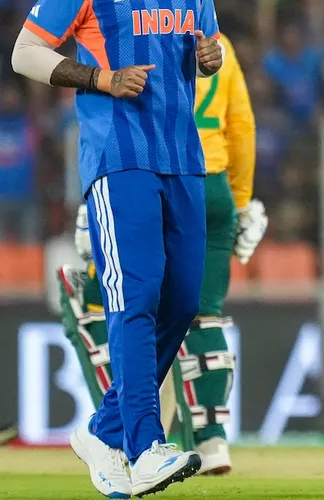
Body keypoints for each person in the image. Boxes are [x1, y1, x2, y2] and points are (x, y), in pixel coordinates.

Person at [10, 0, 225, 498]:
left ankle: (102, 431)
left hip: (183, 156)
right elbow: (26, 51)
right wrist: (100, 78)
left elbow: (203, 52)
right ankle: (144, 443)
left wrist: (208, 57)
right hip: (119, 159)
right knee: (136, 296)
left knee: (184, 299)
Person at [60, 32, 267, 476]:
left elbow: (119, 123)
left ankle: (116, 426)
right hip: (213, 184)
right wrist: (244, 200)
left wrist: (90, 202)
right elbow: (243, 125)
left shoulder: (134, 39)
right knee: (203, 313)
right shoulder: (219, 45)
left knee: (118, 301)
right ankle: (211, 442)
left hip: (152, 175)